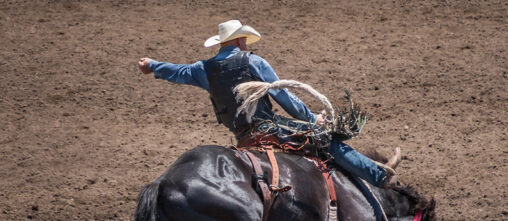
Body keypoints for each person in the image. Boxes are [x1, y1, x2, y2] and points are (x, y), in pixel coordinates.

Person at [137, 20, 397, 187]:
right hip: (269, 131)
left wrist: (152, 66)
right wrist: (311, 119)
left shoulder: (204, 69)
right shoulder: (253, 62)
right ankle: (379, 176)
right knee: (328, 142)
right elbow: (283, 96)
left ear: (222, 43)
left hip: (243, 136)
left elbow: (176, 71)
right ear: (240, 41)